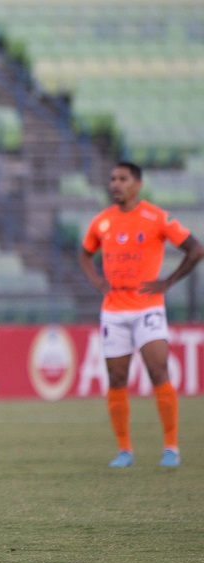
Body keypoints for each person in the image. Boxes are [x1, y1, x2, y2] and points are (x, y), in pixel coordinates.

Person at [78, 161, 203, 468]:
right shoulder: (102, 221)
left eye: (122, 179)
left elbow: (196, 249)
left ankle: (171, 447)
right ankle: (124, 450)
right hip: (113, 311)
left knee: (158, 371)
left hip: (147, 307)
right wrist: (96, 280)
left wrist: (168, 281)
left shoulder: (156, 217)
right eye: (112, 179)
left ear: (137, 184)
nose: (115, 184)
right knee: (117, 378)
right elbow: (84, 254)